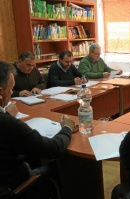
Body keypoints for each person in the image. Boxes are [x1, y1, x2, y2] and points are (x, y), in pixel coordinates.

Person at [0, 61, 75, 191]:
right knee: (60, 166)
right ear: (1, 92)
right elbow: (53, 149)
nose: (12, 93)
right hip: (14, 186)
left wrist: (6, 113)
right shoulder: (8, 124)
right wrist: (67, 128)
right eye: (11, 89)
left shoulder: (6, 120)